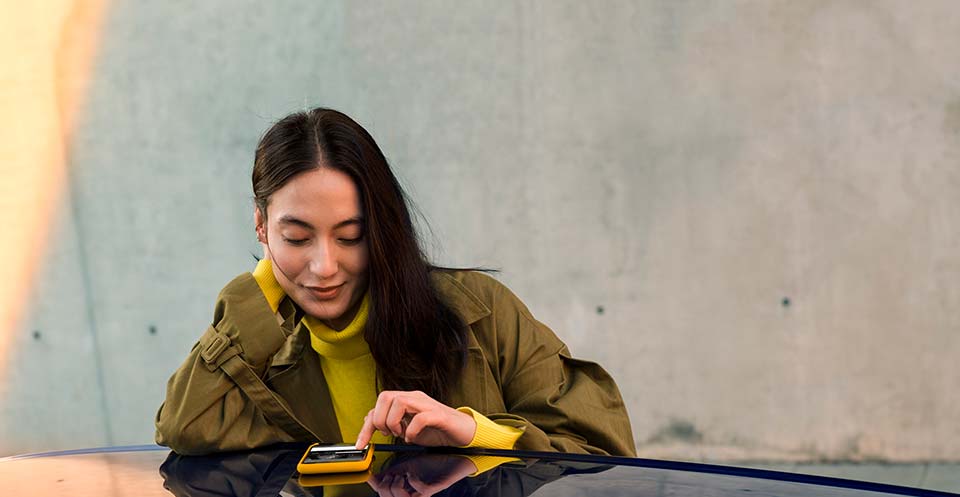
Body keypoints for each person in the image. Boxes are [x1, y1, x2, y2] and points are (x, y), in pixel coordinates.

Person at [154, 107, 636, 457]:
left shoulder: (481, 313)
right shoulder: (256, 347)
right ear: (260, 226)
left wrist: (474, 434)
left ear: (382, 228)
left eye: (351, 236)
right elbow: (184, 427)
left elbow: (603, 457)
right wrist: (259, 289)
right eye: (297, 237)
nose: (324, 266)